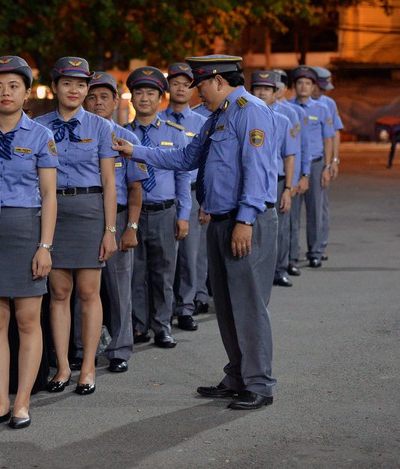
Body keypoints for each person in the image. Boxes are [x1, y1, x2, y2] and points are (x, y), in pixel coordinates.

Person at [113, 55, 278, 410]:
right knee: (228, 307)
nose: (195, 93)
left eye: (199, 85)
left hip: (243, 221)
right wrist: (134, 151)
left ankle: (260, 384)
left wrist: (245, 220)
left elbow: (258, 170)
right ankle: (237, 376)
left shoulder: (250, 111)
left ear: (218, 80)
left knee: (248, 306)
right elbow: (186, 158)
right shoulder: (216, 117)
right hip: (220, 220)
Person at [0, 56, 58, 429]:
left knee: (27, 321)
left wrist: (45, 246)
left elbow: (50, 196)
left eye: (13, 86)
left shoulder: (41, 136)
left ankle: (23, 401)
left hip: (25, 230)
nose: (4, 93)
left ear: (27, 93)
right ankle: (0, 400)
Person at [35, 56, 118, 395]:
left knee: (88, 293)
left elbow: (110, 183)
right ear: (54, 87)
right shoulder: (38, 126)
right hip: (51, 210)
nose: (75, 90)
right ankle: (64, 367)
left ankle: (88, 368)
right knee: (58, 292)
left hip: (88, 211)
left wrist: (110, 230)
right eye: (67, 83)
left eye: (81, 84)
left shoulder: (101, 127)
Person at [73, 71, 148, 373]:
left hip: (117, 217)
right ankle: (80, 348)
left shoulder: (127, 138)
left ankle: (119, 349)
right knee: (83, 289)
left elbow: (135, 189)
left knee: (119, 290)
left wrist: (131, 228)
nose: (98, 102)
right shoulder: (75, 135)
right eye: (92, 96)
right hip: (86, 217)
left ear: (116, 101)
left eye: (104, 96)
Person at [125, 66, 191, 348]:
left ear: (160, 98)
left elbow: (183, 174)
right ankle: (139, 326)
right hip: (134, 214)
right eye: (138, 92)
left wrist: (184, 215)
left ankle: (162, 326)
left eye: (151, 92)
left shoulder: (174, 133)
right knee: (136, 273)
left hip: (165, 211)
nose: (144, 98)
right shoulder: (123, 134)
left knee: (164, 272)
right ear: (130, 98)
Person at [159, 62, 208, 329]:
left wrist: (206, 199)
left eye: (186, 84)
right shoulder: (156, 121)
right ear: (167, 87)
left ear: (193, 90)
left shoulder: (201, 123)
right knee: (165, 257)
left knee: (190, 254)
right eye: (175, 83)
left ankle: (186, 306)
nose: (180, 88)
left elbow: (208, 164)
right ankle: (161, 311)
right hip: (164, 195)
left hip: (191, 193)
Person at [250, 71, 297, 287]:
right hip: (252, 181)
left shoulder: (283, 120)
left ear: (274, 93)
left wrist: (288, 187)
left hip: (276, 181)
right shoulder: (245, 117)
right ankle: (256, 273)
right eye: (258, 88)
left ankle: (280, 269)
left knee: (280, 227)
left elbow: (289, 156)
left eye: (266, 89)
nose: (261, 92)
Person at [288, 66, 335, 268]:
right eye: (300, 83)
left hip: (315, 164)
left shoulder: (322, 109)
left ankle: (315, 251)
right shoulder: (288, 108)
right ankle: (291, 254)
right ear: (294, 86)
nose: (304, 87)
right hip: (293, 166)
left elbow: (328, 139)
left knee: (315, 210)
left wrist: (328, 165)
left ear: (313, 86)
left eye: (308, 83)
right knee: (291, 212)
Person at [273, 68, 305, 277]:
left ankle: (283, 265)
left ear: (285, 88)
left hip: (282, 177)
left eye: (277, 85)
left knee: (285, 224)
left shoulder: (290, 114)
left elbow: (296, 150)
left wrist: (297, 179)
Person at [311, 66, 343, 261]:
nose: (321, 92)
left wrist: (333, 161)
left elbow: (334, 133)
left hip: (321, 161)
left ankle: (319, 247)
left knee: (321, 206)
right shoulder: (292, 104)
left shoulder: (328, 104)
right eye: (319, 87)